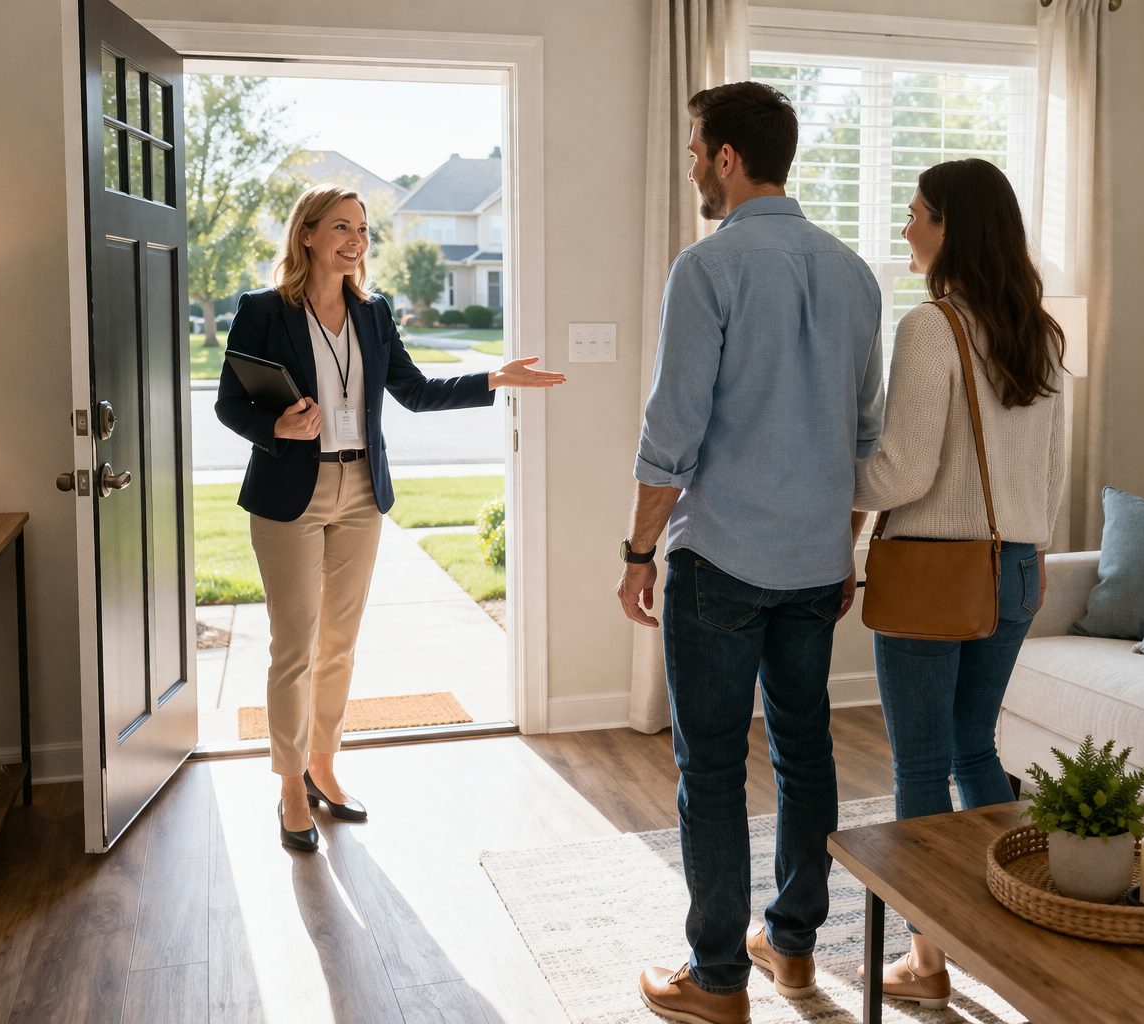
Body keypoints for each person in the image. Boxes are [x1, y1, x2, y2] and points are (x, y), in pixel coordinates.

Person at [618, 83, 884, 1024]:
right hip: (816, 563)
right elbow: (862, 442)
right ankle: (798, 950)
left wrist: (638, 549)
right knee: (808, 753)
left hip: (722, 561)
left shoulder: (709, 267)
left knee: (713, 768)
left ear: (728, 156)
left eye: (697, 150)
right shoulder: (855, 274)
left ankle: (720, 980)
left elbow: (673, 432)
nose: (693, 166)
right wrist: (844, 548)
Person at [216, 183, 564, 853]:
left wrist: (495, 378)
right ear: (309, 234)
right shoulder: (263, 310)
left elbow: (413, 391)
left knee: (340, 643)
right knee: (295, 645)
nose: (356, 239)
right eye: (343, 226)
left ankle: (323, 766)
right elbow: (231, 405)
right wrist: (278, 428)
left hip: (360, 490)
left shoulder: (373, 313)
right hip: (291, 489)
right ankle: (289, 786)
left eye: (364, 229)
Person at [852, 157, 1067, 1006]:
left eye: (918, 215)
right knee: (978, 750)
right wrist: (1033, 549)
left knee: (919, 764)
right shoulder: (1041, 332)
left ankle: (928, 958)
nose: (907, 229)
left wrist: (836, 481)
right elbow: (1052, 473)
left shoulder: (932, 327)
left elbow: (902, 471)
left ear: (953, 228)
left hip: (936, 572)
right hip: (1015, 570)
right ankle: (1019, 928)